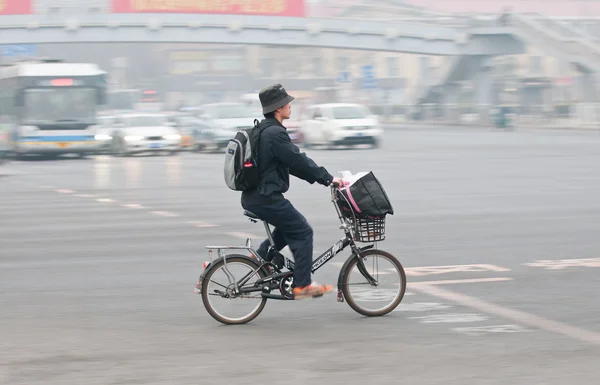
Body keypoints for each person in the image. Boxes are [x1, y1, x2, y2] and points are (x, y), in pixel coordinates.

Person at [242, 83, 344, 300]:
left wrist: (321, 179)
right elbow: (298, 161)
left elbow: (290, 164)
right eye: (287, 103)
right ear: (278, 108)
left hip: (255, 196)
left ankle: (262, 259)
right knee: (302, 231)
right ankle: (302, 285)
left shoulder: (262, 129)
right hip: (266, 198)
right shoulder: (275, 134)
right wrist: (328, 179)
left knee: (286, 229)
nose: (290, 106)